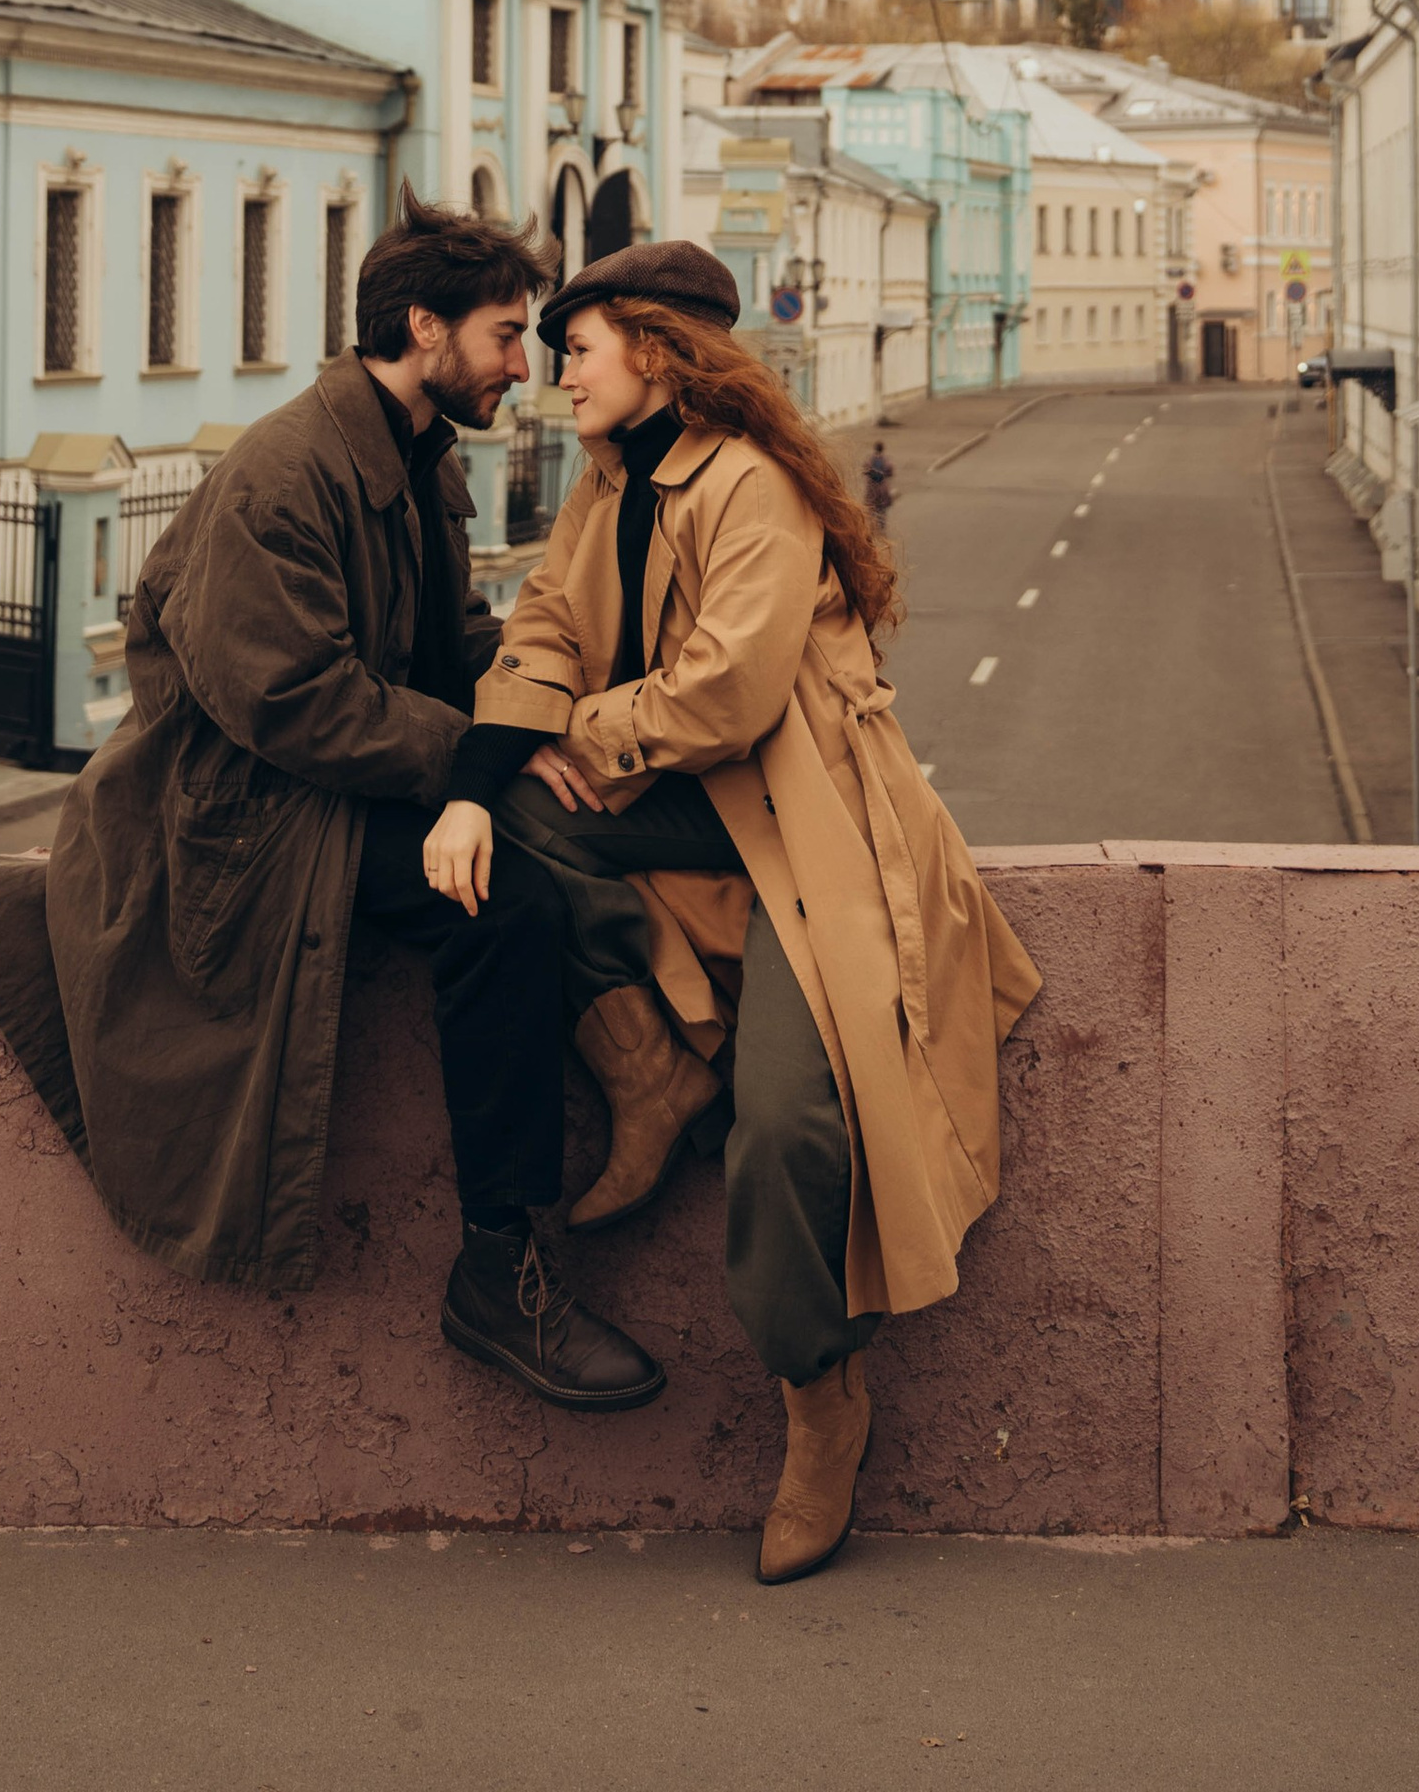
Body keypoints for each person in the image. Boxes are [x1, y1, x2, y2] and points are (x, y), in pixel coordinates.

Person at [0, 193, 665, 1417]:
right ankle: (498, 1269)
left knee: (571, 830)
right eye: (503, 336)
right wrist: (482, 755)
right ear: (424, 327)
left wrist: (560, 716)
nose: (522, 369)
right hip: (240, 821)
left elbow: (458, 641)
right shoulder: (286, 471)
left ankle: (650, 1078)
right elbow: (294, 700)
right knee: (502, 903)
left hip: (325, 793)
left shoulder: (417, 458)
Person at [418, 236, 1041, 1585]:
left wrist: (581, 730)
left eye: (577, 349)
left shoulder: (750, 483)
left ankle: (821, 1396)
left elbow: (728, 694)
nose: (556, 374)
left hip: (812, 834)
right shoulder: (606, 478)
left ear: (654, 349)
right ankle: (647, 1069)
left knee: (789, 1129)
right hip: (694, 812)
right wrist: (483, 769)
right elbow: (544, 631)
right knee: (511, 818)